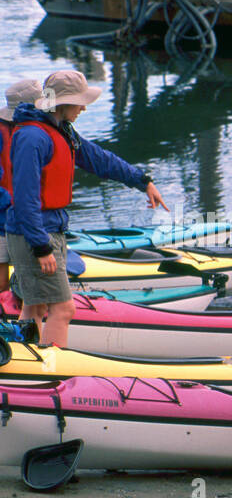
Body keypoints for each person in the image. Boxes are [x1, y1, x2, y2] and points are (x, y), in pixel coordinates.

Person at [6, 70, 168, 347]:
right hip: (35, 233)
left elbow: (100, 160)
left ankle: (28, 365)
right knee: (63, 309)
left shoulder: (61, 130)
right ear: (62, 103)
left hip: (48, 227)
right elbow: (25, 198)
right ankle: (55, 374)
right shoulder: (33, 137)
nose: (83, 107)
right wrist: (41, 246)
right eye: (79, 102)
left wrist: (143, 181)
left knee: (35, 307)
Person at [1, 79, 44, 297]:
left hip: (22, 218)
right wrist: (12, 203)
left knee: (24, 281)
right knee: (2, 282)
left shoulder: (31, 132)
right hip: (6, 217)